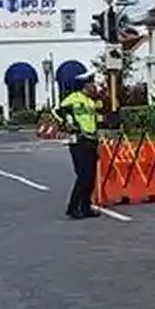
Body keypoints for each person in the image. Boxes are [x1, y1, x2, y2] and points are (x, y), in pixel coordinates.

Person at [57, 69, 102, 219]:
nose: (94, 87)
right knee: (83, 176)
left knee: (91, 177)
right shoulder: (73, 99)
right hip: (79, 140)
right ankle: (73, 207)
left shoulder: (91, 101)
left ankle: (86, 206)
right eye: (91, 84)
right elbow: (57, 111)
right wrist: (67, 123)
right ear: (85, 86)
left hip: (91, 139)